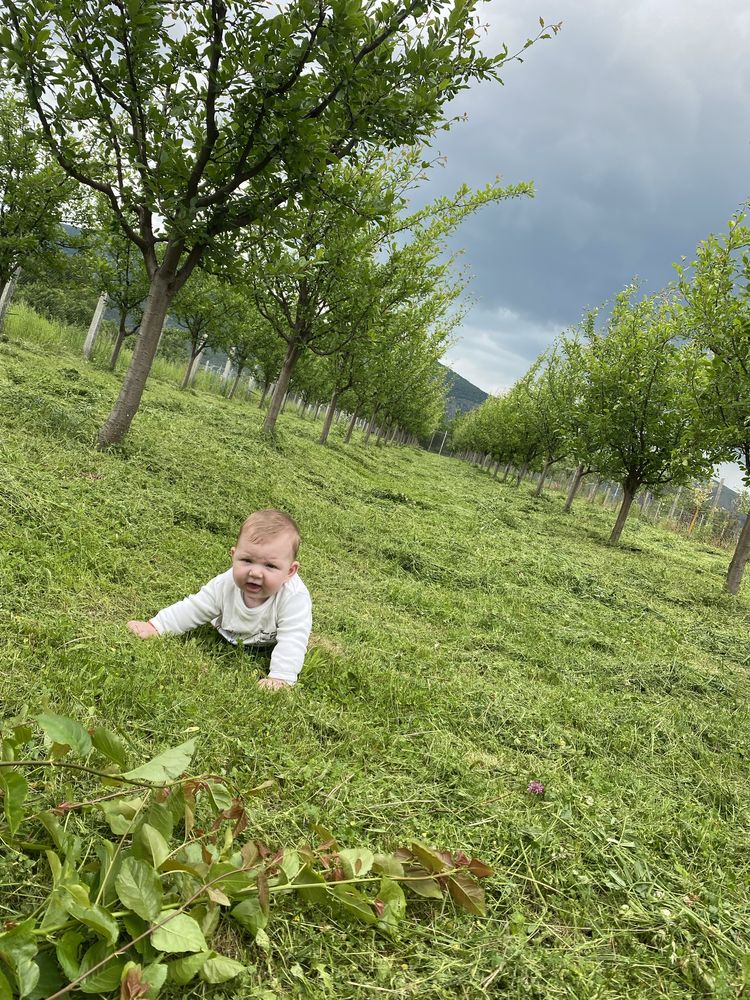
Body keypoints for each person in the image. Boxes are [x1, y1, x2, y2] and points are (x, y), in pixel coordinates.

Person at [127, 509, 312, 689]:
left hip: (265, 641)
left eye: (270, 566)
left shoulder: (294, 597)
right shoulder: (225, 584)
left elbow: (293, 638)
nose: (255, 572)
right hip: (226, 630)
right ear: (234, 556)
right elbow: (195, 607)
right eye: (247, 560)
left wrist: (281, 677)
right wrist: (157, 626)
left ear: (289, 571)